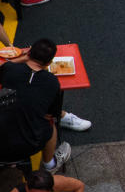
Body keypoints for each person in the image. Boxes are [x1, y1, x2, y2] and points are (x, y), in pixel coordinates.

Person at [0, 39, 72, 170]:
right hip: (29, 146)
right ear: (49, 63)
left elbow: (3, 65)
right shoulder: (52, 82)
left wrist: (24, 58)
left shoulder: (9, 69)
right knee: (51, 123)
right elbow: (50, 115)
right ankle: (50, 164)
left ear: (29, 53)